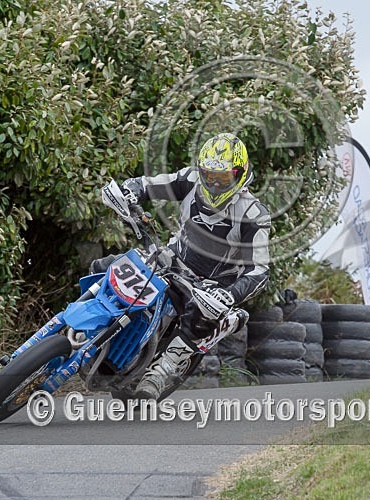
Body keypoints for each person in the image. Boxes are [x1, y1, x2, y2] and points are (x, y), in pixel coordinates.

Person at [96, 132, 271, 399]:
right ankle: (82, 328)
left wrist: (230, 294)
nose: (213, 184)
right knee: (107, 265)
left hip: (213, 287)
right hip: (172, 260)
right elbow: (148, 184)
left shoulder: (253, 214)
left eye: (222, 178)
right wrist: (127, 191)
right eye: (208, 175)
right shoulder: (189, 179)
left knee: (201, 315)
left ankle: (162, 372)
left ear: (239, 174)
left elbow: (259, 269)